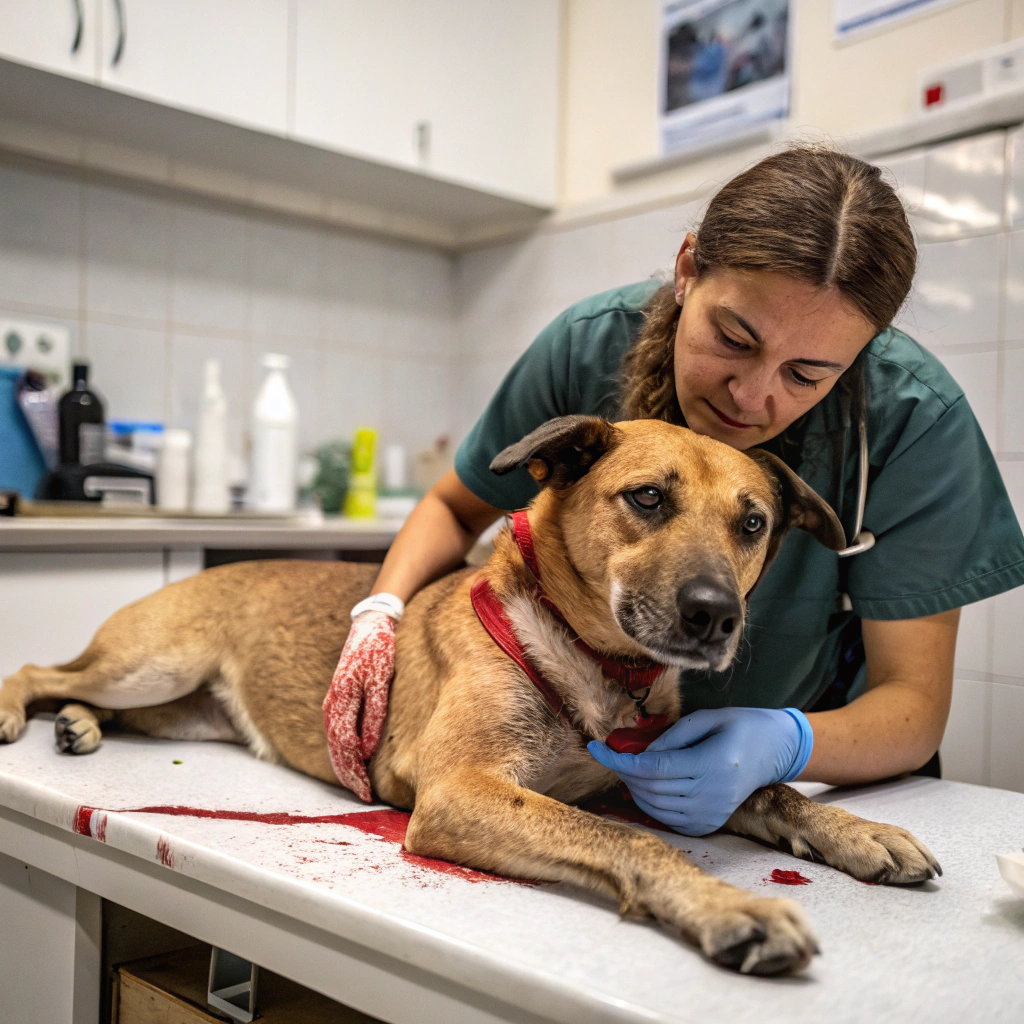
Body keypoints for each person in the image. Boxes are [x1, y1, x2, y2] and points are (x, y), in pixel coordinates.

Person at [323, 146, 1024, 836]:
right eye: (733, 338)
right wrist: (379, 614)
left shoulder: (914, 417)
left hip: (826, 778)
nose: (752, 396)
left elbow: (914, 705)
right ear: (688, 269)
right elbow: (455, 505)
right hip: (595, 777)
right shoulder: (587, 345)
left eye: (807, 376)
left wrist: (785, 744)